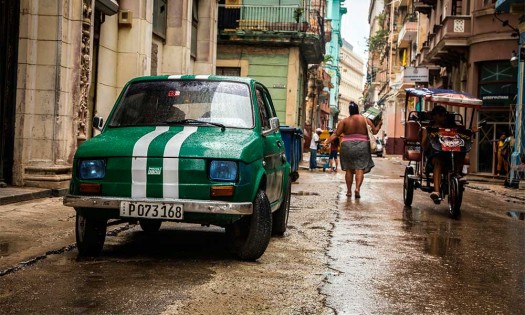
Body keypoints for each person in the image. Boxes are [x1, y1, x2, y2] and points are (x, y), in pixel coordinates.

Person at [323, 102, 382, 198]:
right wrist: (379, 124)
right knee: (360, 168)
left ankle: (349, 191)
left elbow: (335, 134)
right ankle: (357, 188)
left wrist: (326, 142)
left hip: (347, 146)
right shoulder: (365, 120)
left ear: (349, 111)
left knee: (349, 170)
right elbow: (374, 131)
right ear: (358, 110)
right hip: (362, 146)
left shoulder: (344, 121)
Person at [421, 105, 464, 203]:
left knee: (461, 153)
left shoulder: (452, 127)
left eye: (444, 115)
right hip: (435, 155)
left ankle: (457, 174)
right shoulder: (428, 128)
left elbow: (463, 138)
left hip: (451, 154)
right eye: (440, 115)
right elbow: (424, 146)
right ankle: (436, 191)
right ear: (434, 117)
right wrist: (429, 134)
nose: (443, 117)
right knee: (438, 161)